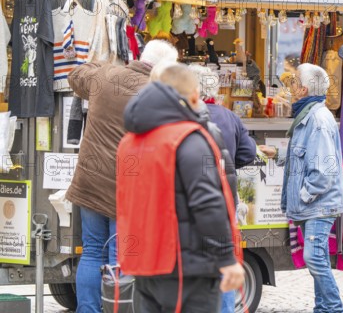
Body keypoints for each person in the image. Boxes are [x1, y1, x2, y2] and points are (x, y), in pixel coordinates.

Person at [119, 64, 245, 312]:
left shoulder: (129, 141)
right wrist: (226, 258)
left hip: (145, 263)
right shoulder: (187, 138)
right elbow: (207, 202)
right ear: (194, 96)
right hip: (187, 267)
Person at [65, 40, 179, 313]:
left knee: (92, 251)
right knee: (121, 256)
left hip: (91, 183)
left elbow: (75, 76)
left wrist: (102, 65)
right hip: (129, 192)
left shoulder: (106, 75)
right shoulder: (160, 95)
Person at [258, 63, 343, 313]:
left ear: (304, 89)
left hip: (318, 204)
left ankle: (334, 308)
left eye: (295, 82)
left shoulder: (317, 118)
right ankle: (324, 309)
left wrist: (304, 195)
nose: (291, 86)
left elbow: (322, 172)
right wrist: (277, 154)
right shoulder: (310, 114)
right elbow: (306, 156)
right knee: (315, 257)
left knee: (314, 257)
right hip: (315, 204)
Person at [189, 65, 257, 313]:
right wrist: (228, 166)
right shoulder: (230, 116)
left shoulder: (184, 116)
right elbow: (249, 154)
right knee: (225, 261)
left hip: (193, 201)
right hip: (226, 199)